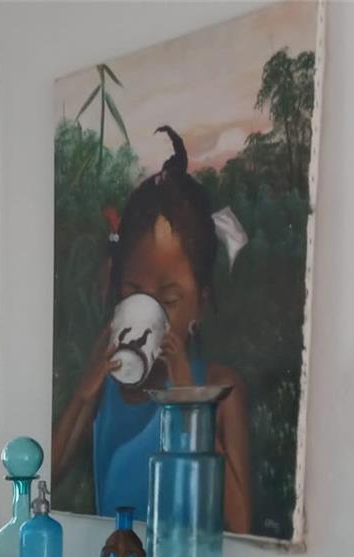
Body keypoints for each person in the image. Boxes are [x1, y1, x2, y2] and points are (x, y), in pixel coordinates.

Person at [51, 126, 253, 534]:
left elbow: (240, 523)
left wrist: (186, 402)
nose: (150, 310)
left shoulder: (219, 387)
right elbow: (46, 479)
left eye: (171, 299)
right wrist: (85, 393)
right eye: (134, 291)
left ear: (201, 303)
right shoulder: (108, 381)